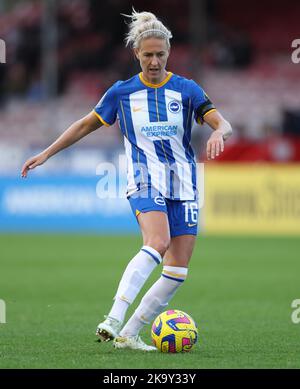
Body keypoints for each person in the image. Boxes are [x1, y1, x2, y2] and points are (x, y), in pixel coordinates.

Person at [21, 10, 232, 351]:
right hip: (144, 179)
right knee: (157, 242)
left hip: (185, 184)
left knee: (177, 272)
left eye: (160, 54)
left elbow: (223, 123)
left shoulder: (187, 90)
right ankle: (114, 317)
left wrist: (219, 132)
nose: (153, 61)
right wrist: (46, 153)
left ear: (169, 52)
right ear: (136, 53)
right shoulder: (122, 93)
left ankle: (129, 334)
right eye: (147, 54)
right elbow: (84, 125)